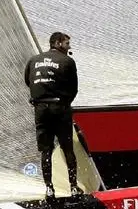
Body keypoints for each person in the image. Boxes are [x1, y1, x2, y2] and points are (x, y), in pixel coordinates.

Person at [24, 32, 83, 200]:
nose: (69, 47)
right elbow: (73, 88)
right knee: (67, 148)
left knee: (46, 150)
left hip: (40, 109)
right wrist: (63, 103)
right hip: (60, 108)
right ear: (57, 43)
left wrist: (41, 97)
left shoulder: (33, 60)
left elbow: (28, 81)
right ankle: (73, 188)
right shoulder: (67, 61)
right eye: (66, 43)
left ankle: (49, 189)